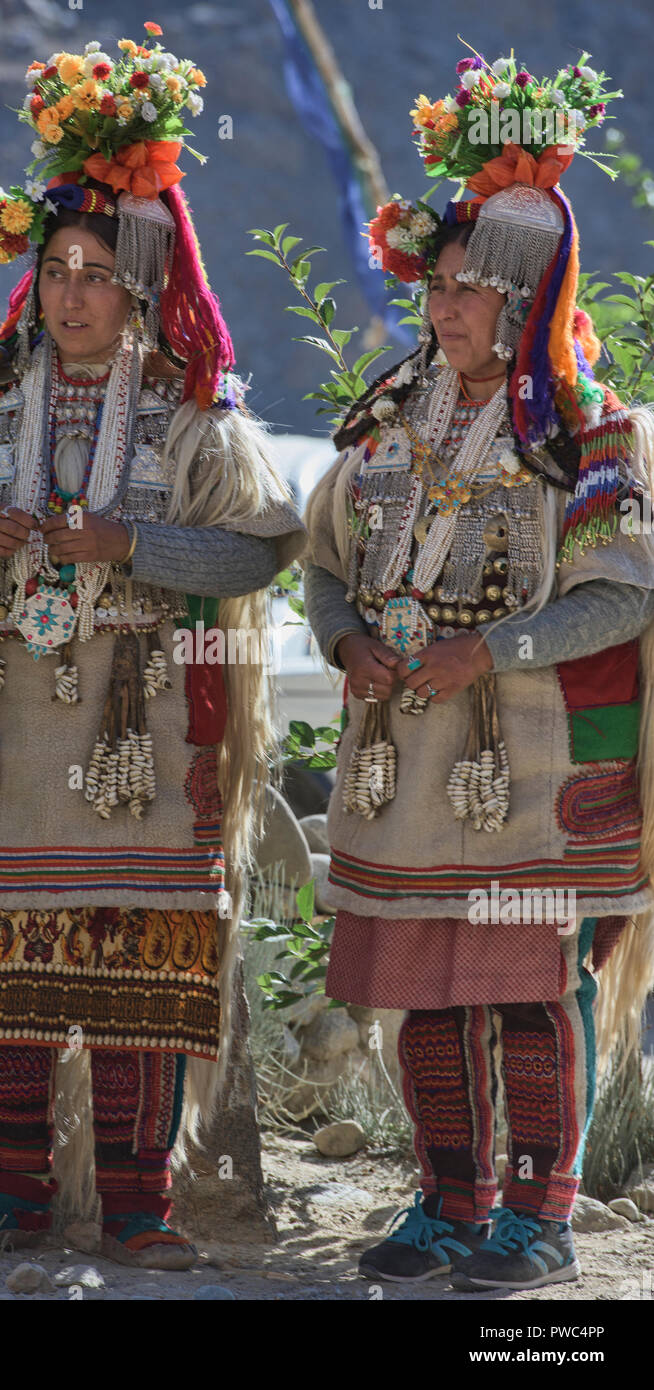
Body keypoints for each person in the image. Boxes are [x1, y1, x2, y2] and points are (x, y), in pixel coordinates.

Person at [0, 27, 304, 1269]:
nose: (71, 293)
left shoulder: (195, 425)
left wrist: (128, 549)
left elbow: (261, 550)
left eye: (98, 273)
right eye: (56, 268)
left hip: (138, 740)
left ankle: (140, 1203)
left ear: (143, 292)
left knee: (140, 954)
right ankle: (6, 1195)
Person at [302, 51, 654, 1291]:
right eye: (435, 288)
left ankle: (538, 1218)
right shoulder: (387, 412)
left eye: (465, 293)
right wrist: (342, 638)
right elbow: (322, 556)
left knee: (519, 982)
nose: (441, 310)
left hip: (537, 760)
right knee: (425, 985)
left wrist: (487, 650)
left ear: (518, 300)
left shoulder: (589, 430)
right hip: (407, 753)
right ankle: (444, 1204)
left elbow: (619, 593)